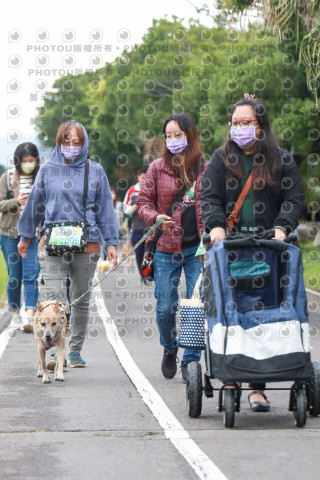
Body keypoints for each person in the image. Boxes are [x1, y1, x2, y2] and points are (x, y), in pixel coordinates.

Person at [200, 94, 305, 411]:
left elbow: (294, 197)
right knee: (231, 310)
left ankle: (257, 387)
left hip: (269, 250)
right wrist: (216, 225)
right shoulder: (220, 159)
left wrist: (283, 226)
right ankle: (231, 377)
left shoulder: (281, 159)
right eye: (236, 123)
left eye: (247, 123)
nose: (240, 128)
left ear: (261, 127)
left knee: (263, 314)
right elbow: (209, 196)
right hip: (229, 249)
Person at [18, 120, 118, 368]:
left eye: (77, 143)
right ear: (59, 142)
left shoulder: (95, 171)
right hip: (51, 244)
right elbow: (35, 205)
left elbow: (105, 208)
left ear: (84, 144)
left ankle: (74, 350)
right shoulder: (47, 170)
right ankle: (54, 353)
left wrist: (113, 242)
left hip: (88, 244)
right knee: (54, 299)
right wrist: (25, 235)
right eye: (67, 142)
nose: (71, 147)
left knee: (80, 299)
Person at [137, 113, 207, 381]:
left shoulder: (205, 167)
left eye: (179, 134)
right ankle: (169, 348)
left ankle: (190, 362)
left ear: (190, 135)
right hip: (166, 248)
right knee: (165, 307)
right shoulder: (156, 168)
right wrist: (155, 218)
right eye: (169, 135)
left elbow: (213, 203)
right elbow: (143, 203)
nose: (174, 139)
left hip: (196, 251)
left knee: (195, 305)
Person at [0, 143, 41, 332]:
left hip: (33, 234)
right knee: (14, 277)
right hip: (10, 234)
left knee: (31, 276)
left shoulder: (41, 178)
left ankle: (30, 315)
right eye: (24, 162)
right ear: (18, 162)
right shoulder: (7, 177)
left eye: (31, 161)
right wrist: (15, 202)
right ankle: (15, 313)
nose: (28, 164)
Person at [123, 167, 149, 276]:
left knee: (148, 252)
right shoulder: (132, 191)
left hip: (150, 228)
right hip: (136, 228)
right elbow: (125, 207)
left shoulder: (152, 189)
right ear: (138, 177)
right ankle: (142, 275)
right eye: (143, 177)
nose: (144, 179)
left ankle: (148, 273)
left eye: (146, 177)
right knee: (139, 253)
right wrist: (132, 208)